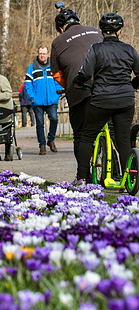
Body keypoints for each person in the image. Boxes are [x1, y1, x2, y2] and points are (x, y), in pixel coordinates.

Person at [71, 13, 139, 187]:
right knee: (123, 140)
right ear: (120, 31)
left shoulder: (96, 49)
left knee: (86, 137)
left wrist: (78, 82)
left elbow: (85, 73)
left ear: (102, 32)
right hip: (125, 100)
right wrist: (133, 84)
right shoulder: (130, 50)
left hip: (101, 99)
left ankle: (81, 178)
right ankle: (128, 179)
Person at [50, 6, 103, 167]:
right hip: (106, 86)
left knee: (80, 135)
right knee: (112, 130)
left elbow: (57, 74)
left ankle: (83, 175)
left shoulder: (58, 41)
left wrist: (68, 87)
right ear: (78, 21)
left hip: (79, 91)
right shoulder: (96, 30)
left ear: (61, 28)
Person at [25, 46, 63, 155]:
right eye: (41, 53)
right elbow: (28, 84)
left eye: (44, 53)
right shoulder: (32, 68)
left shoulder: (53, 67)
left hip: (52, 100)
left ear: (47, 54)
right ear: (38, 54)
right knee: (40, 124)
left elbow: (58, 81)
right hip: (38, 101)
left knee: (54, 119)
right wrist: (32, 97)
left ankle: (51, 140)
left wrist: (58, 94)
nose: (42, 55)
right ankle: (42, 145)